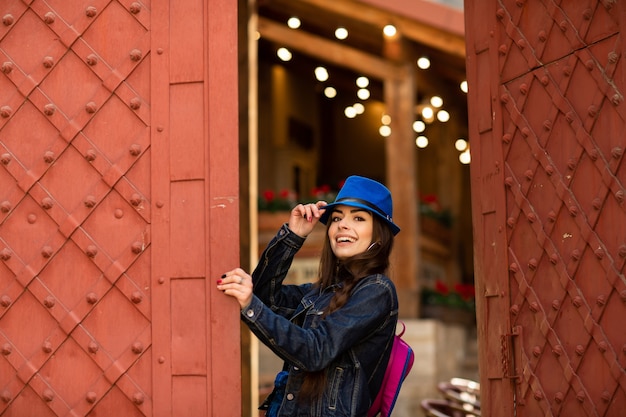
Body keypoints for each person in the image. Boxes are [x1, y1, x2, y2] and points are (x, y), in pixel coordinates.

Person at [217, 175, 401, 417]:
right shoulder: (322, 291)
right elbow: (265, 298)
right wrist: (293, 236)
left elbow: (316, 351)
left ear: (379, 234)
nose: (342, 225)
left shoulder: (377, 290)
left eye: (358, 218)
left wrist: (251, 306)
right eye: (336, 218)